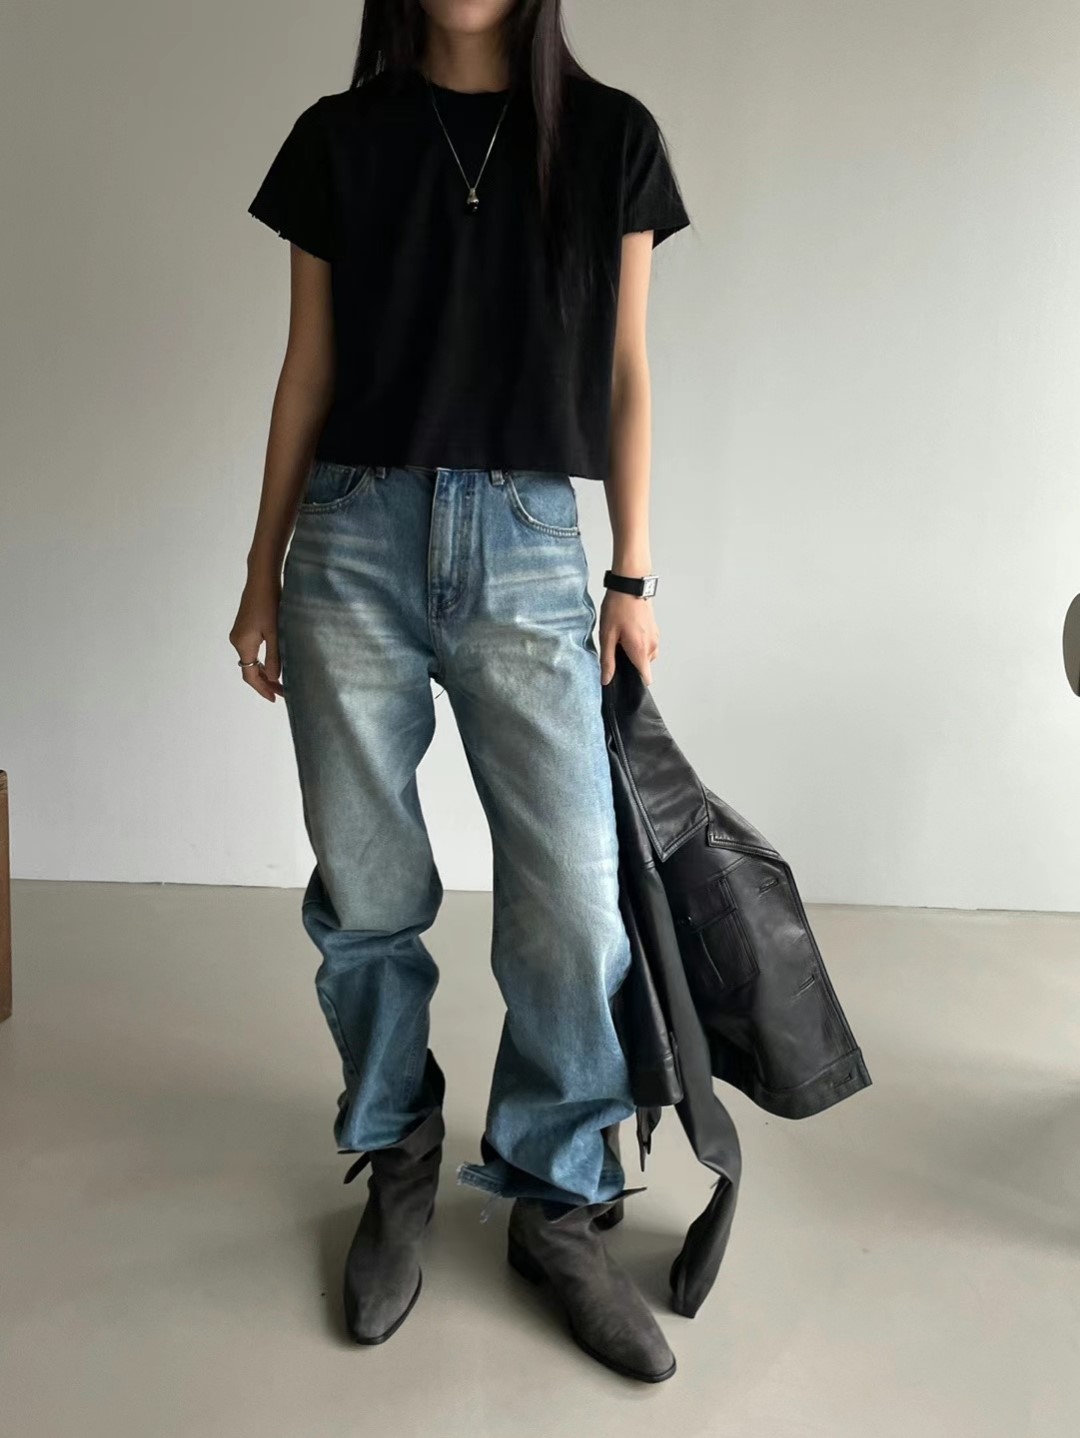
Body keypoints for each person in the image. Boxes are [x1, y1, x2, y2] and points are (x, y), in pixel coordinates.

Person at [231, 0, 690, 1384]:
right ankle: (398, 1150)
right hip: (351, 541)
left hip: (531, 541)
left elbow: (627, 369)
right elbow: (308, 368)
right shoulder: (338, 139)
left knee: (574, 901)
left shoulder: (610, 139)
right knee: (366, 888)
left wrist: (632, 572)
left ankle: (557, 1196)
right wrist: (261, 571)